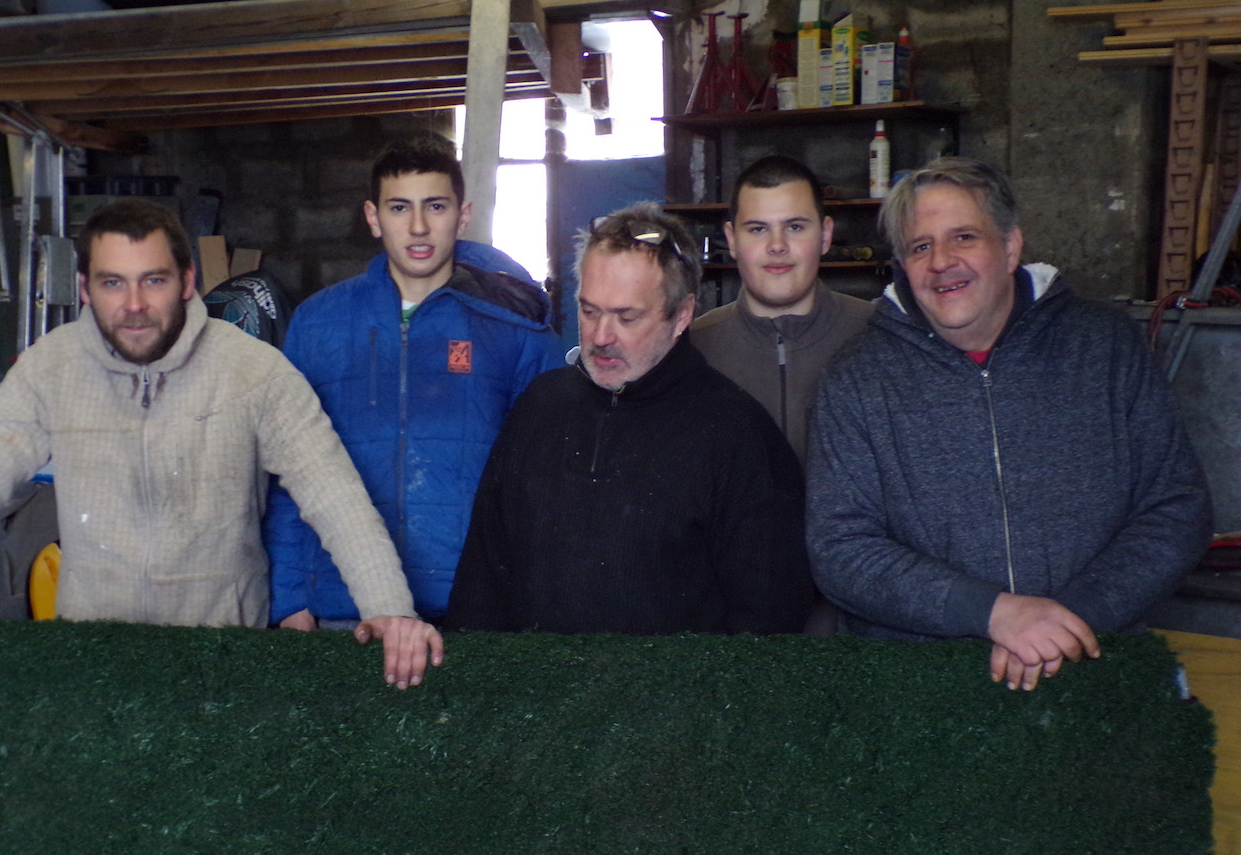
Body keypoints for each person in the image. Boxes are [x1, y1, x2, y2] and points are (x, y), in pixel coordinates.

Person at [0, 199, 441, 689]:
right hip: (94, 654)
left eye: (154, 280)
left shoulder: (255, 373)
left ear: (187, 281)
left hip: (222, 660)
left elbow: (335, 496)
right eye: (113, 283)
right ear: (85, 289)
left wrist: (389, 608)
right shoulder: (52, 368)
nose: (134, 304)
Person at [806, 157, 1212, 691]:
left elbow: (1176, 506)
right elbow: (840, 548)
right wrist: (995, 613)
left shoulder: (1106, 347)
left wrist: (1065, 622)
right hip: (922, 688)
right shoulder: (857, 377)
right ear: (902, 265)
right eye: (920, 246)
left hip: (1100, 665)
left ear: (1011, 246)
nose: (941, 262)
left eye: (964, 237)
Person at [447, 202, 812, 635]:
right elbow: (482, 579)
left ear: (681, 315)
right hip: (533, 679)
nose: (601, 336)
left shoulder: (737, 435)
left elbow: (768, 620)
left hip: (676, 681)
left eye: (626, 317)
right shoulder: (539, 407)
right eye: (589, 311)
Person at [264, 133, 560, 631]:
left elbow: (548, 476)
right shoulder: (318, 324)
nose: (418, 226)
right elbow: (286, 468)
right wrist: (290, 597)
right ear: (373, 217)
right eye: (399, 207)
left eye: (435, 206)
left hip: (474, 609)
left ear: (462, 216)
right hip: (344, 606)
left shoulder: (515, 329)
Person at [690, 154, 873, 466]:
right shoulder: (692, 351)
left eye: (795, 227)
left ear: (825, 236)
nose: (777, 245)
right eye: (758, 229)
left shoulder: (877, 335)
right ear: (732, 240)